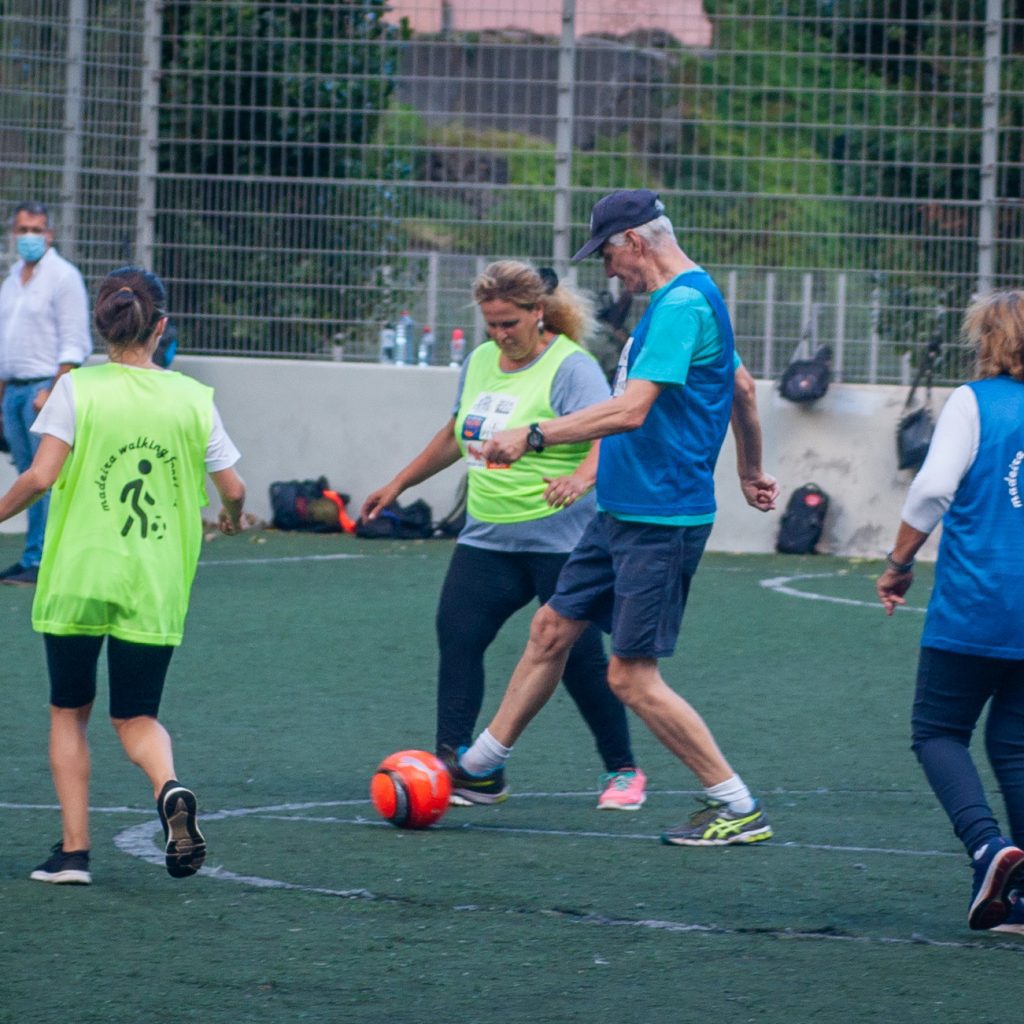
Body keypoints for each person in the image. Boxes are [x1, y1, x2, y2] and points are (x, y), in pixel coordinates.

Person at [448, 189, 780, 847]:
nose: (607, 270)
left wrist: (534, 435)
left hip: (659, 518)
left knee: (629, 675)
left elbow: (630, 411)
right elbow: (740, 389)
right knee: (550, 628)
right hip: (621, 510)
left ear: (633, 241)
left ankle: (736, 803)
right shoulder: (686, 299)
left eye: (606, 253)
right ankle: (481, 770)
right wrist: (748, 467)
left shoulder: (682, 306)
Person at [361, 260, 648, 810]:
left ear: (538, 313)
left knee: (581, 658)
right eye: (490, 324)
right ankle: (462, 770)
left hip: (561, 540)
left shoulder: (572, 367)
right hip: (487, 536)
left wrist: (582, 477)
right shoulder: (479, 361)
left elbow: (606, 431)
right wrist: (398, 482)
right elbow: (455, 432)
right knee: (459, 637)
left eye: (509, 323)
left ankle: (622, 771)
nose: (499, 335)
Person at [0, 266, 246, 885]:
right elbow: (235, 487)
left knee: (68, 711)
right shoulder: (193, 399)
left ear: (99, 328)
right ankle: (168, 788)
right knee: (136, 718)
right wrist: (232, 516)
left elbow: (40, 477)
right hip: (153, 584)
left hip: (80, 576)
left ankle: (74, 854)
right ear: (160, 328)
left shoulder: (77, 389)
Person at [876, 289, 1024, 933]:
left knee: (937, 731)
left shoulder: (975, 402)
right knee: (1016, 747)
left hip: (977, 602)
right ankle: (1014, 900)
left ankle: (987, 847)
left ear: (988, 339)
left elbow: (934, 487)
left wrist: (899, 563)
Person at [0, 201, 92, 586]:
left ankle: (48, 560)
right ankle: (32, 556)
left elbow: (75, 341)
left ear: (50, 235)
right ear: (12, 234)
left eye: (36, 230)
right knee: (27, 477)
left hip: (43, 389)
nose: (29, 238)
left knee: (45, 478)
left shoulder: (63, 277)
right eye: (22, 230)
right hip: (14, 393)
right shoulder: (10, 281)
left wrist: (53, 392)